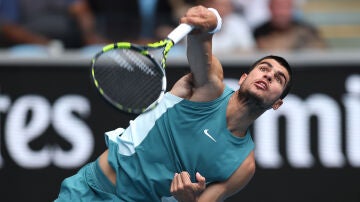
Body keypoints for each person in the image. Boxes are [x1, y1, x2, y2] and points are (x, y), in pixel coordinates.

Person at [55, 5, 293, 201]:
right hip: (92, 191)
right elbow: (201, 44)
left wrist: (187, 199)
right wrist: (212, 22)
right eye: (264, 68)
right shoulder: (209, 87)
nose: (269, 75)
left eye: (278, 78)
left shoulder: (244, 164)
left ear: (277, 103)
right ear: (244, 78)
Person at [0, 0, 107, 48]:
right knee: (27, 53)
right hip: (31, 45)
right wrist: (45, 44)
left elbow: (81, 10)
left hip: (72, 45)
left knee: (94, 51)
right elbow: (8, 27)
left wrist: (88, 35)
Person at [253, 0, 326, 51]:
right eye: (278, 7)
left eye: (286, 7)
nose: (282, 13)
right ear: (270, 8)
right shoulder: (259, 32)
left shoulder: (307, 32)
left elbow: (321, 54)